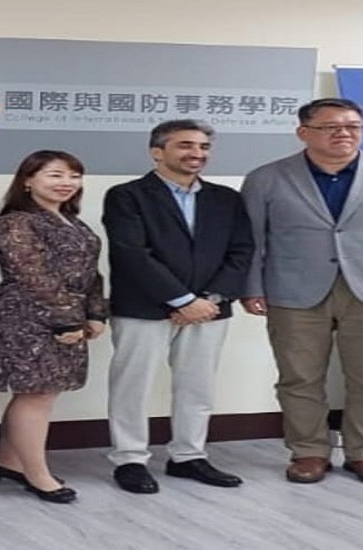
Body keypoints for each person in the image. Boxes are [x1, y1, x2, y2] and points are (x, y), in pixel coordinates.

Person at [240, 98, 363, 486]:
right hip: (292, 290)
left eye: (353, 126)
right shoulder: (267, 178)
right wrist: (251, 288)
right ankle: (308, 452)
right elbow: (251, 239)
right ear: (303, 132)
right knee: (299, 378)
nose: (344, 133)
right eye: (331, 126)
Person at [102, 119, 254, 494]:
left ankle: (188, 456)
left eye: (203, 147)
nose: (196, 153)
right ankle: (130, 459)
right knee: (132, 385)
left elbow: (241, 252)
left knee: (197, 386)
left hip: (209, 309)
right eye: (186, 145)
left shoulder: (226, 198)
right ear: (157, 152)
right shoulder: (127, 196)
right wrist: (183, 300)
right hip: (143, 307)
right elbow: (132, 253)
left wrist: (209, 300)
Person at [0, 150, 107, 504]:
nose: (66, 183)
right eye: (55, 175)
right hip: (26, 317)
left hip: (66, 315)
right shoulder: (16, 222)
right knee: (36, 394)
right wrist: (67, 319)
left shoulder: (73, 221)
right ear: (28, 180)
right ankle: (38, 475)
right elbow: (32, 275)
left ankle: (7, 462)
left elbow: (91, 273)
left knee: (39, 393)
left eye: (74, 176)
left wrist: (96, 313)